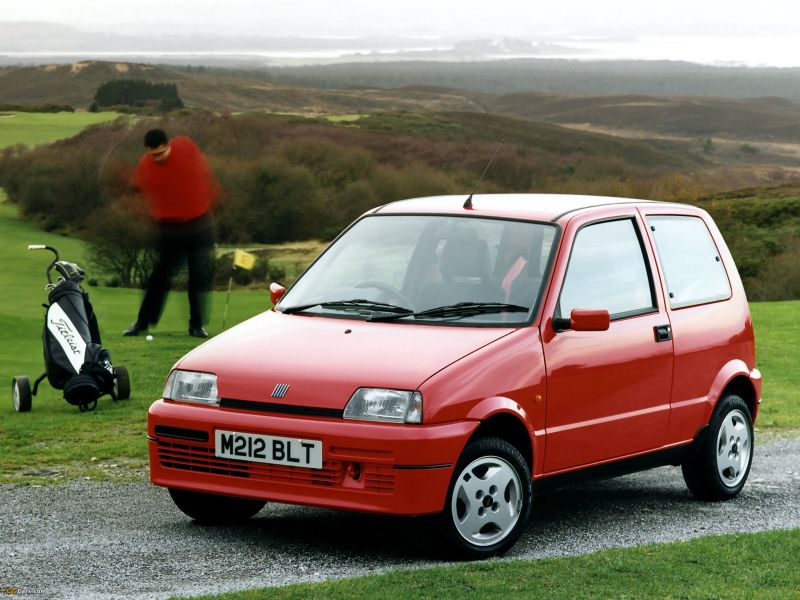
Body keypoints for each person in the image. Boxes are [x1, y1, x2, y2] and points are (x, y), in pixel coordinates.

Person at [123, 129, 218, 338]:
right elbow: (142, 192)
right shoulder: (145, 166)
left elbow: (203, 174)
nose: (157, 158)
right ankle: (142, 322)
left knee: (198, 277)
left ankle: (196, 325)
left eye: (161, 153)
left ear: (168, 145)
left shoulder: (185, 146)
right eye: (152, 154)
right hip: (169, 229)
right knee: (158, 278)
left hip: (198, 224)